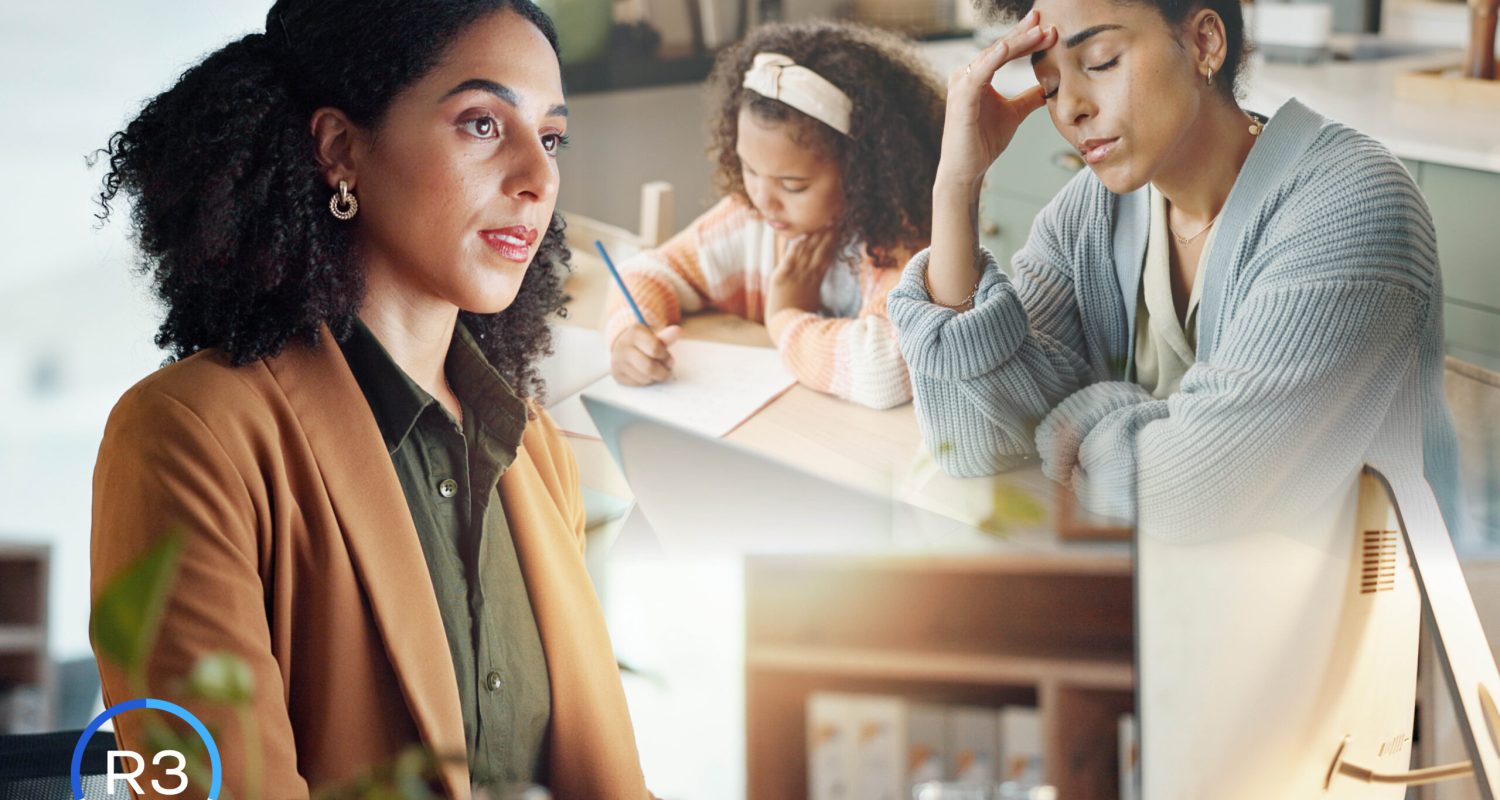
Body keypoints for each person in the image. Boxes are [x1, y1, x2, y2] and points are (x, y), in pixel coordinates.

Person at [89, 1, 649, 796]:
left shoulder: (534, 450)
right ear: (341, 149)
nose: (538, 179)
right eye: (483, 124)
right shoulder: (189, 435)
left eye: (551, 137)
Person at [889, 0, 1463, 540]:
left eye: (1100, 62)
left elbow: (1197, 487)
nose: (1069, 108)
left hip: (1349, 611)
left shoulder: (1351, 203)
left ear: (1204, 43)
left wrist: (1084, 415)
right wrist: (956, 187)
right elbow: (968, 440)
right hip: (1166, 596)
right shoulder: (1089, 212)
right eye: (1050, 85)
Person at [604, 21, 944, 411]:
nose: (763, 200)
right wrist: (628, 335)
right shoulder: (750, 219)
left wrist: (784, 315)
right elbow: (646, 272)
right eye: (748, 169)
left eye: (793, 184)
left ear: (866, 171)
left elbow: (889, 368)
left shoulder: (904, 245)